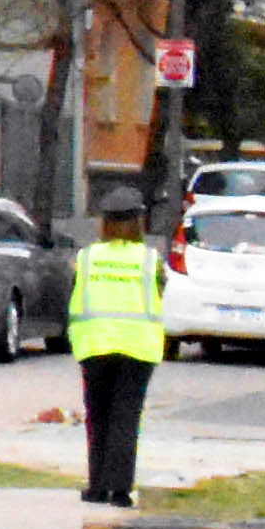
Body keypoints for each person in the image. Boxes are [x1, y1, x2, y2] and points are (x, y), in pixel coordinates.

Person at [76, 182, 166, 510]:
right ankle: (120, 490)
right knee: (126, 418)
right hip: (138, 348)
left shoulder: (86, 258)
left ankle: (97, 486)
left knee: (97, 417)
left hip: (95, 345)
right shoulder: (149, 260)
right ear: (137, 221)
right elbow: (160, 291)